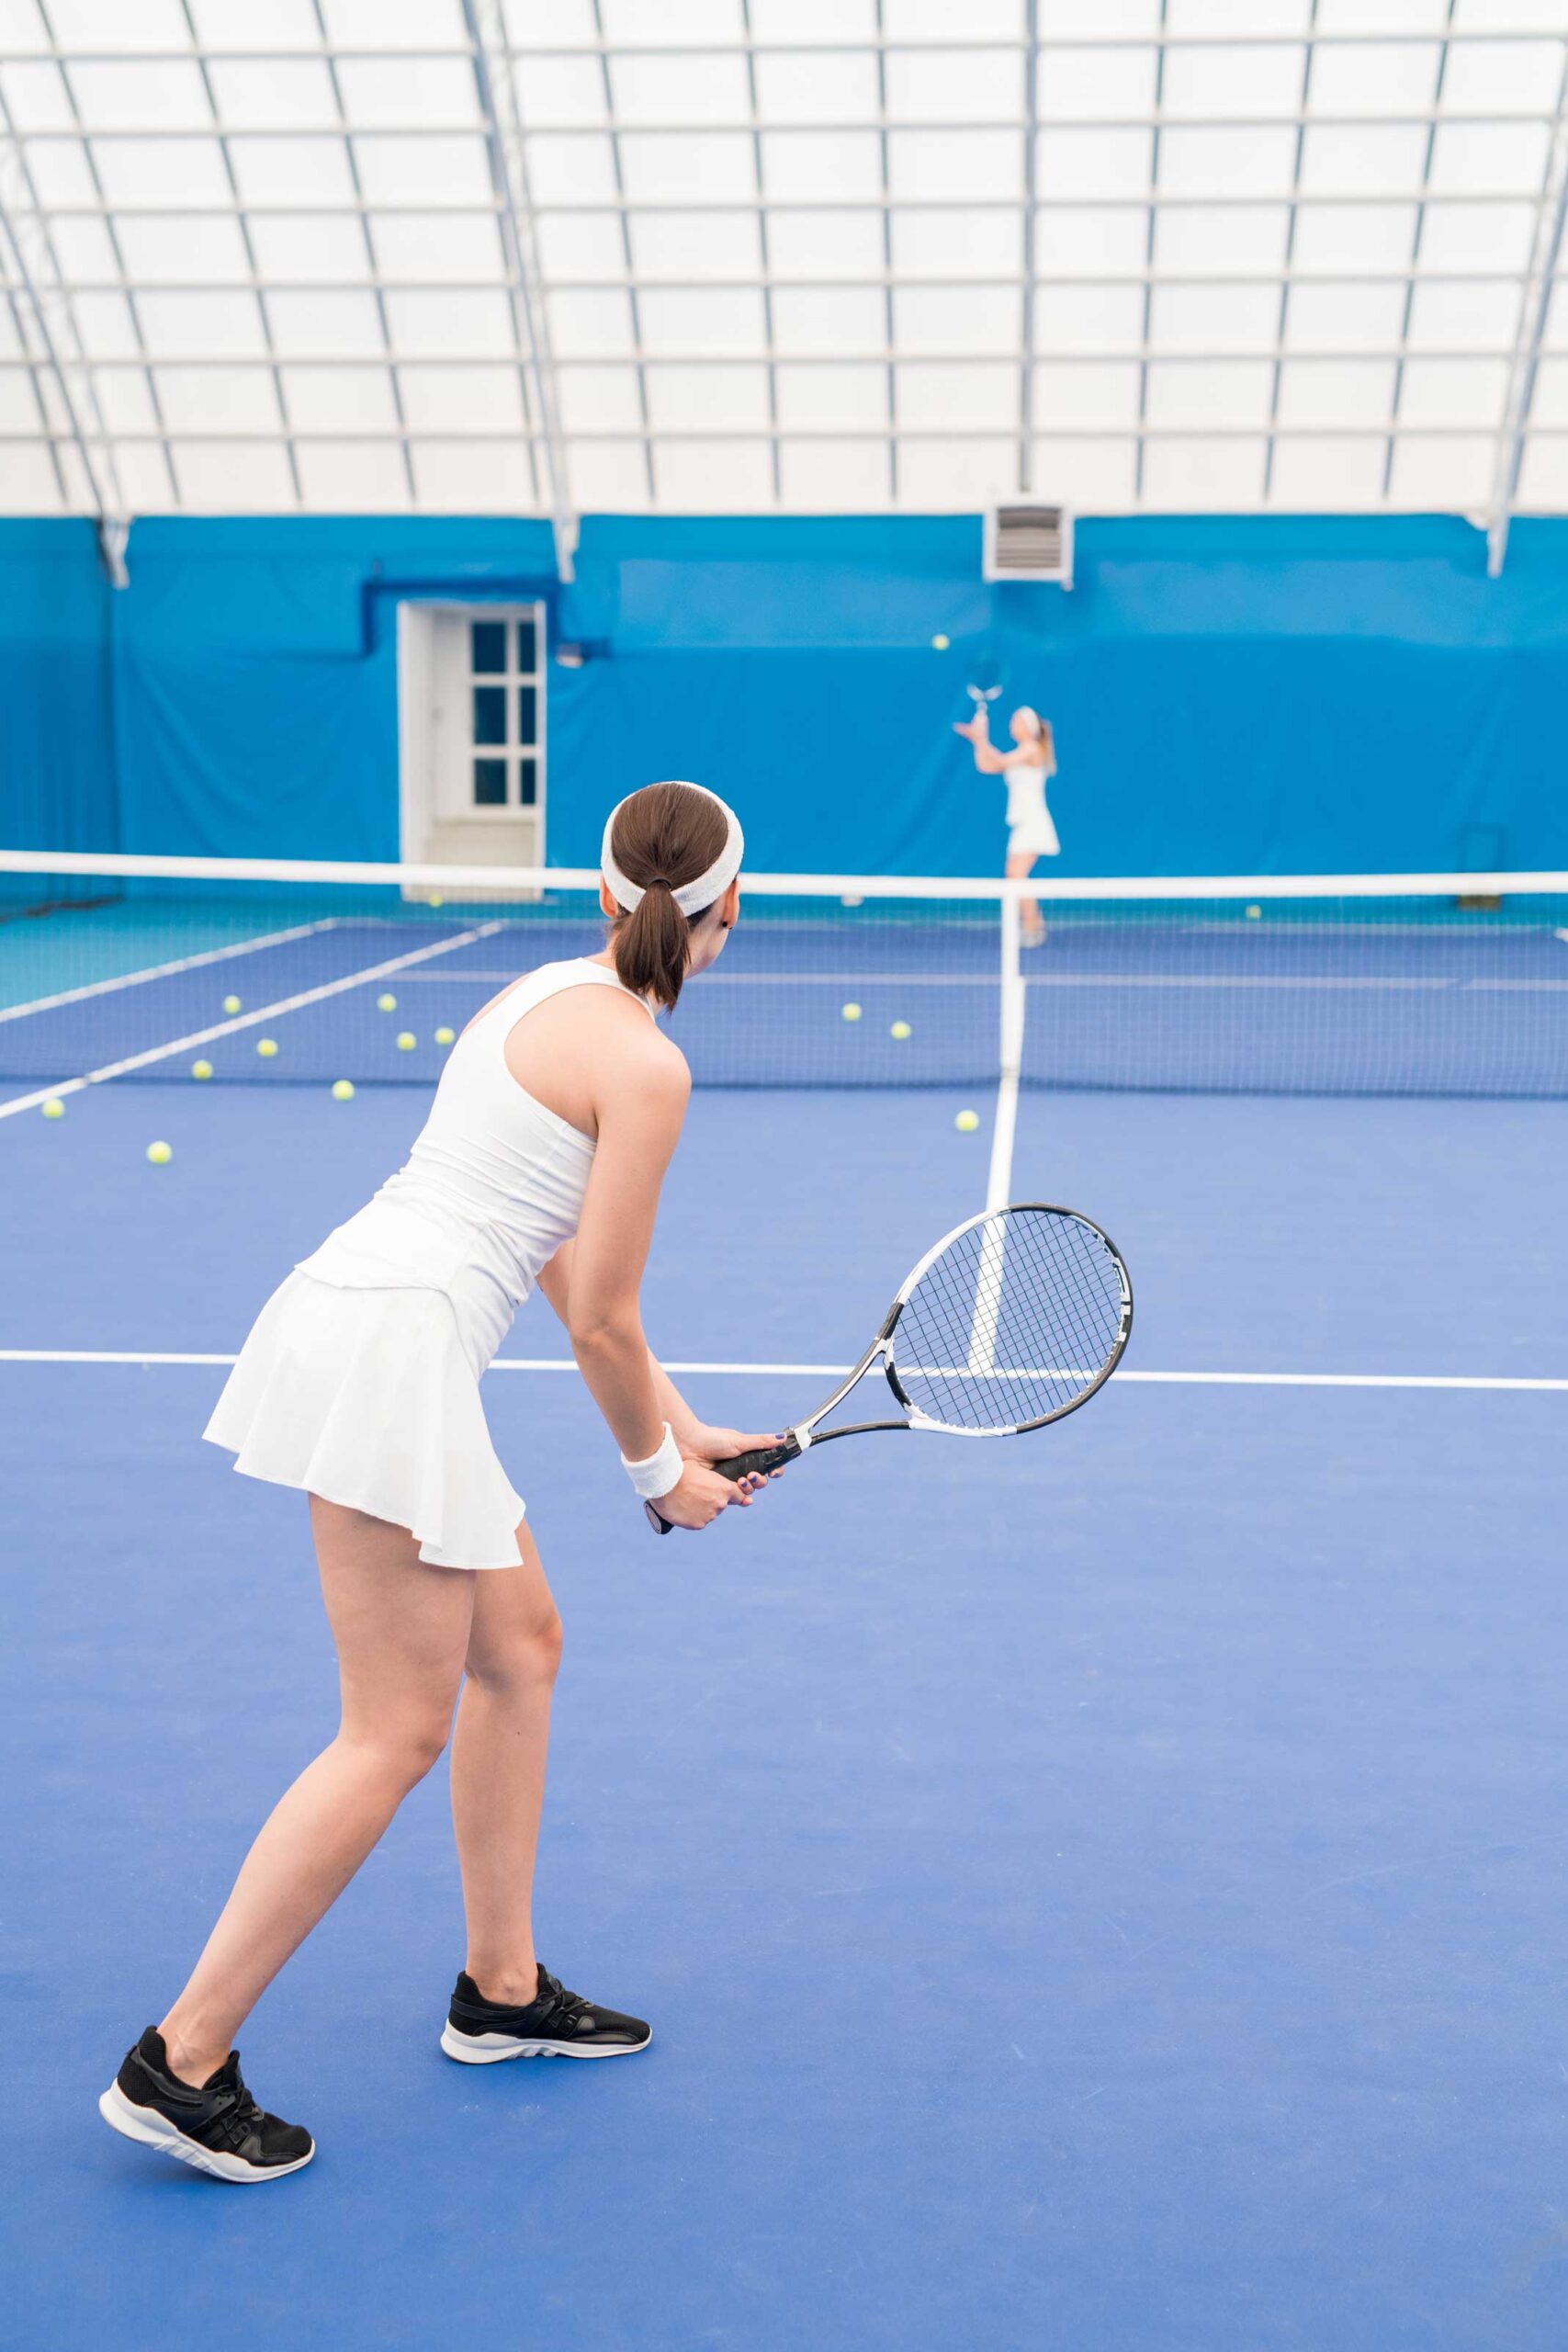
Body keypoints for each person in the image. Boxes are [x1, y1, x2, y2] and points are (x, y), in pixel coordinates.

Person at [99, 780, 781, 2184]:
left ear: (603, 895)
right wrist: (657, 1475)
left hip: (352, 1312)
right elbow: (599, 1316)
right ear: (729, 914)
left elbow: (555, 1256)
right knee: (389, 1732)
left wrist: (683, 1426)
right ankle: (182, 2060)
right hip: (391, 1356)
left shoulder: (537, 994)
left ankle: (500, 1989)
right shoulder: (647, 1069)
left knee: (519, 1649)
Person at [953, 702, 1058, 947]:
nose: (1012, 724)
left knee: (1017, 877)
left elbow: (998, 758)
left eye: (1017, 720)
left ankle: (1032, 928)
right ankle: (1034, 924)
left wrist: (981, 738)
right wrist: (978, 740)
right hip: (1021, 823)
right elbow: (986, 766)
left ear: (1029, 727)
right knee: (1014, 877)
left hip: (1034, 822)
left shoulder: (1032, 749)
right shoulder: (1020, 753)